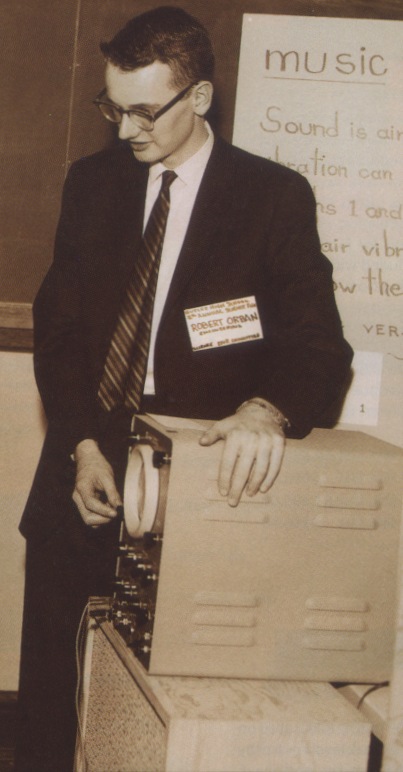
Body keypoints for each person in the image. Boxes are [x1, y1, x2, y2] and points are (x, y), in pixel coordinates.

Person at [15, 6, 353, 771]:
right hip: (83, 471)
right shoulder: (91, 185)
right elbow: (60, 333)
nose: (125, 127)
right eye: (112, 105)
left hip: (201, 491)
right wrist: (78, 445)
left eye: (144, 110)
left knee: (166, 714)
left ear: (197, 98)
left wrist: (265, 411)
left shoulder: (271, 198)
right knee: (49, 709)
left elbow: (316, 344)